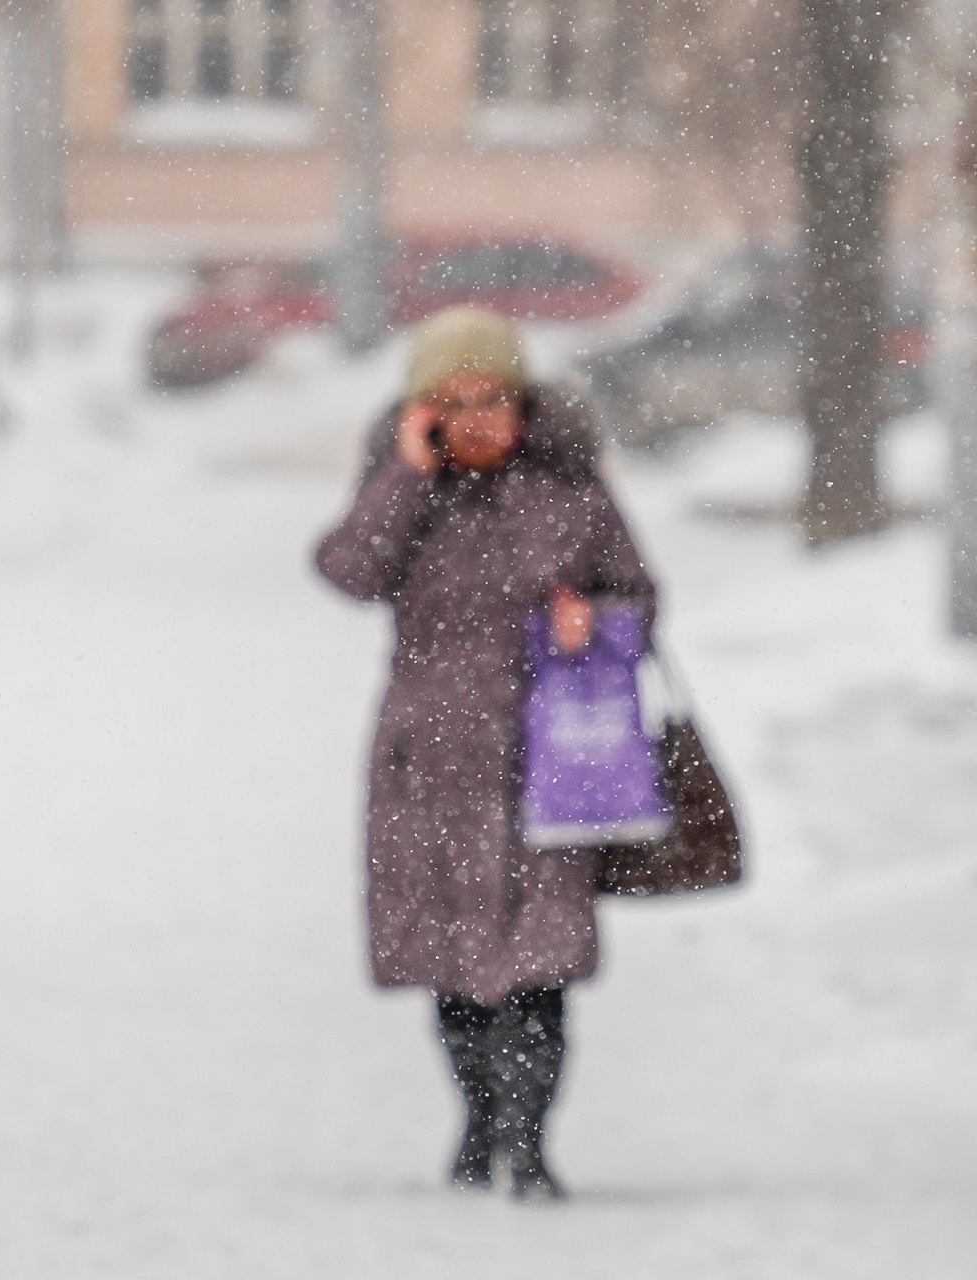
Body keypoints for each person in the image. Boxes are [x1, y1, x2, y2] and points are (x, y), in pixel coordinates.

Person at [315, 307, 657, 1201]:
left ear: (524, 405)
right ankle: (478, 1118)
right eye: (451, 402)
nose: (475, 418)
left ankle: (532, 1144)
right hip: (426, 764)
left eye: (491, 399)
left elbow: (639, 594)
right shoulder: (403, 490)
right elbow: (348, 571)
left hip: (549, 763)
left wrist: (603, 620)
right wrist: (405, 476)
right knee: (455, 967)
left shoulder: (570, 486)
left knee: (540, 970)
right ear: (419, 411)